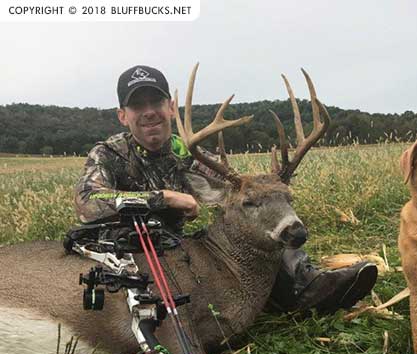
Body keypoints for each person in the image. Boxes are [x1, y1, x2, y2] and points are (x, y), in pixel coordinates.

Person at [74, 64, 377, 315]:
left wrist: (275, 184)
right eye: (138, 105)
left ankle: (311, 286)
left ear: (171, 107)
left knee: (254, 228)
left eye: (156, 103)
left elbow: (239, 189)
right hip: (122, 254)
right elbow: (88, 202)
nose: (149, 112)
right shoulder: (108, 154)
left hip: (176, 250)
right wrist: (164, 198)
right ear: (122, 115)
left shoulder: (190, 156)